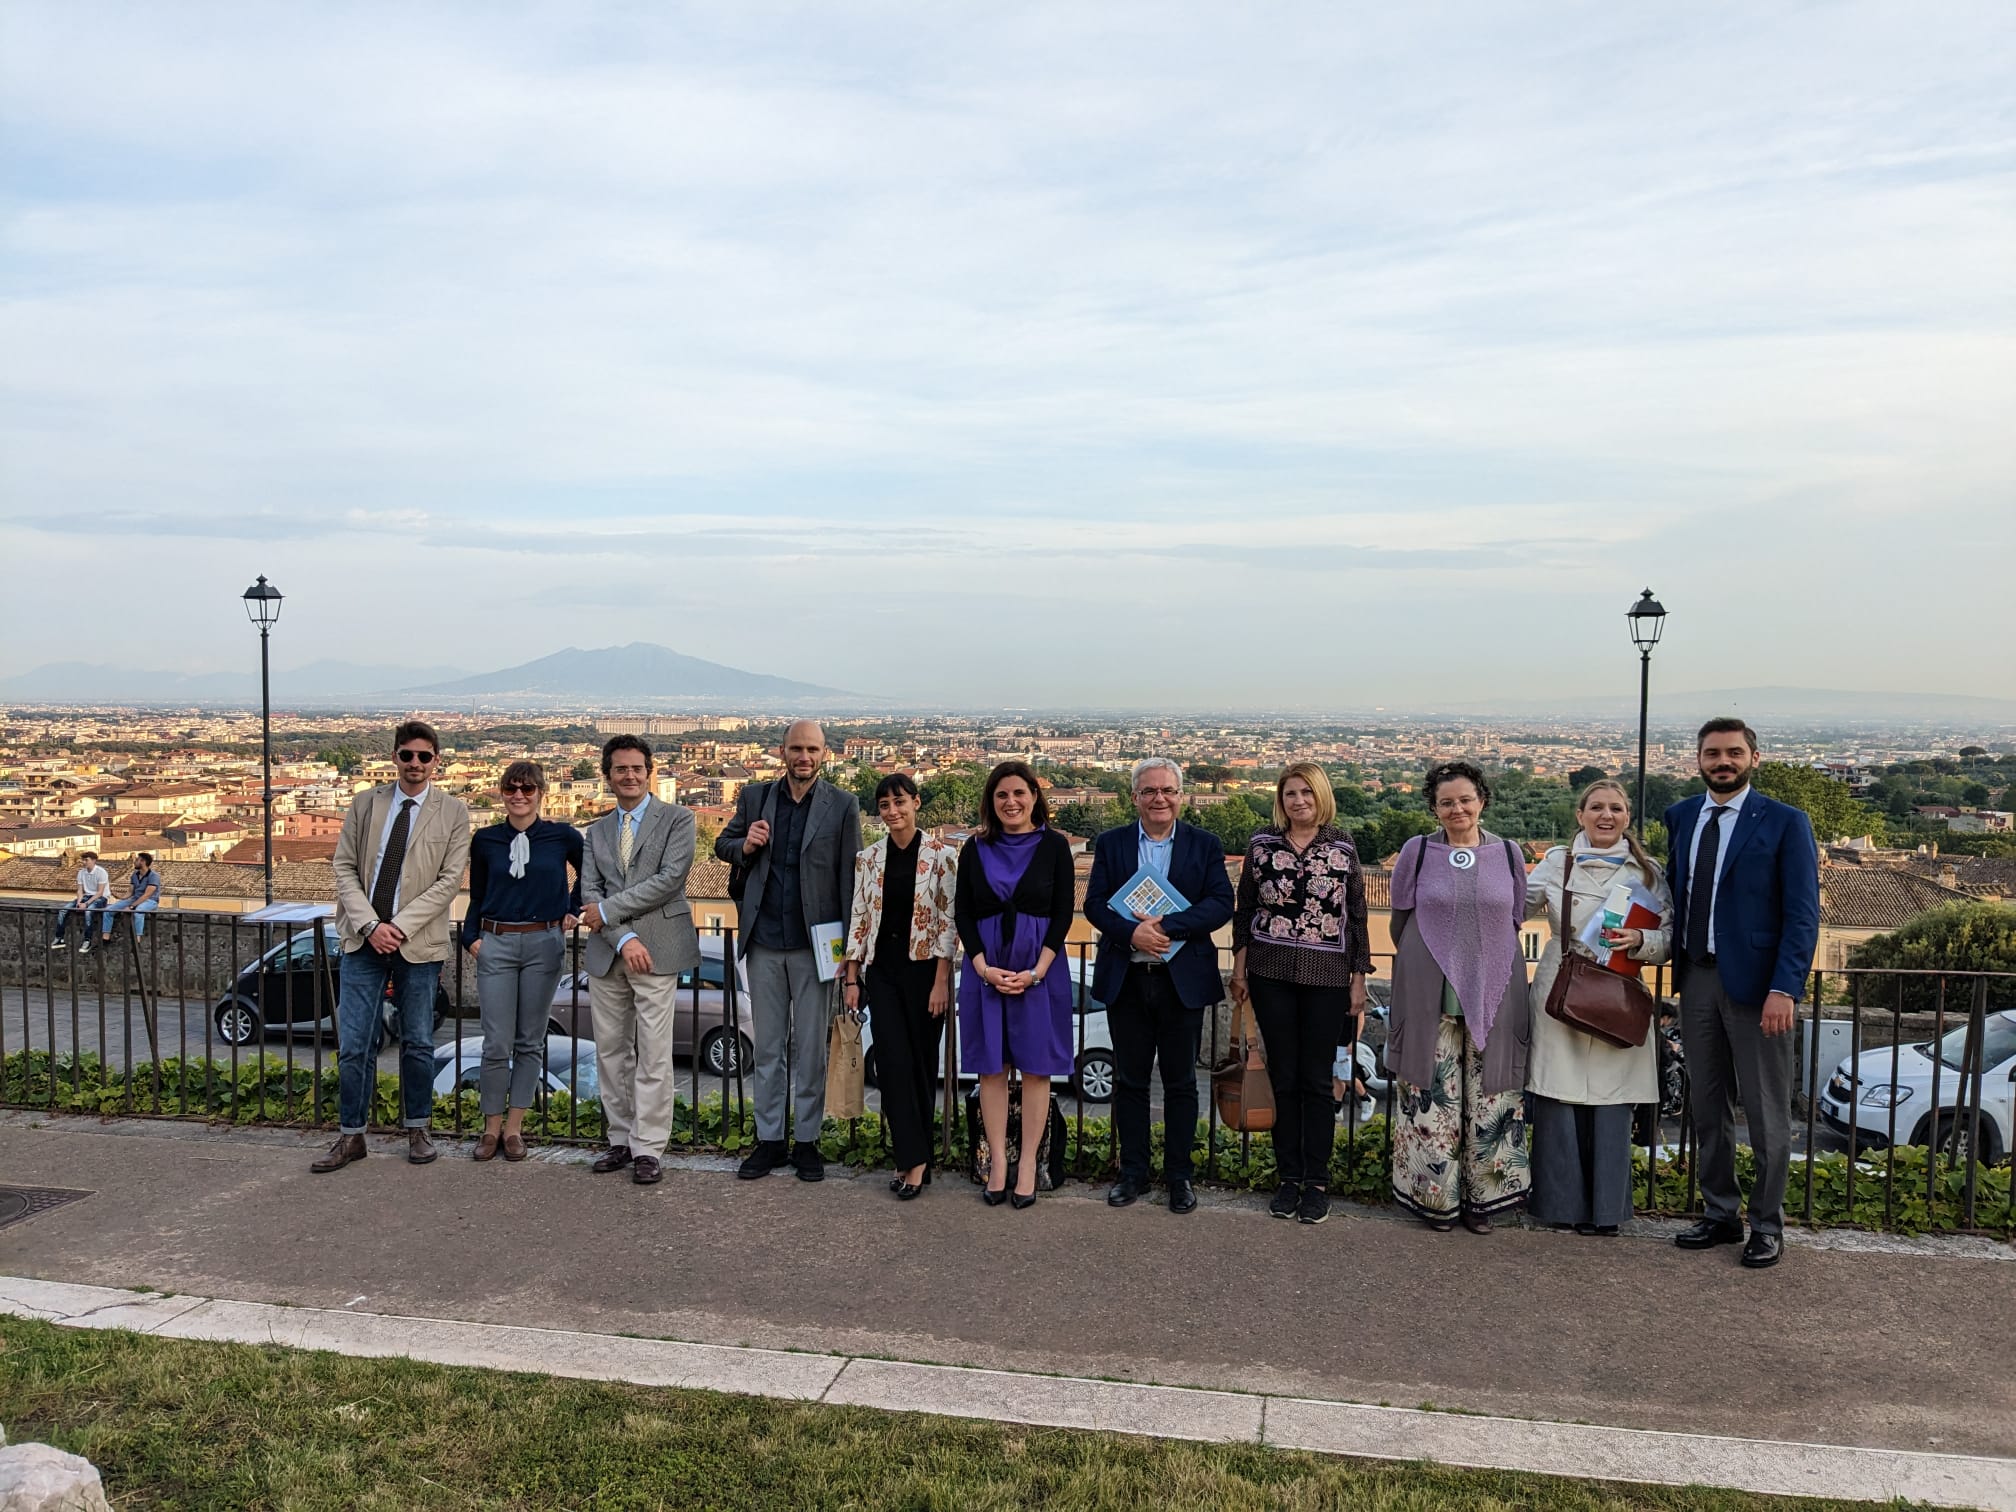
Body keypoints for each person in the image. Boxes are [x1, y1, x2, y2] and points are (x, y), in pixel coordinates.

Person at [1664, 718, 1820, 1270]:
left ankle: (1768, 1225)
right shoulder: (1682, 816)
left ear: (1754, 757)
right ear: (1698, 760)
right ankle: (1721, 1214)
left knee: (1766, 1111)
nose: (1722, 761)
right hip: (1698, 980)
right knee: (1707, 1106)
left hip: (1760, 989)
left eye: (1733, 752)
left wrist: (1786, 987)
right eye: (1712, 753)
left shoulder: (1785, 822)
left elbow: (1802, 916)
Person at [316, 721, 472, 1173]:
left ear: (437, 761)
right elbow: (343, 867)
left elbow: (448, 882)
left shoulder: (454, 812)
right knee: (354, 1043)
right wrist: (370, 925)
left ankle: (418, 1129)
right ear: (395, 758)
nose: (416, 764)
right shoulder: (366, 803)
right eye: (408, 755)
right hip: (362, 940)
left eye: (425, 756)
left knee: (419, 1042)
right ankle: (351, 1137)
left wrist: (397, 926)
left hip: (417, 943)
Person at [1083, 757, 1235, 1214]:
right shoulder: (1110, 844)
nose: (1159, 798)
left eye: (1167, 790)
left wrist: (1166, 927)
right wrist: (1132, 933)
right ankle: (1132, 1174)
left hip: (1180, 981)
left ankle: (1179, 1177)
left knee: (1181, 1083)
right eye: (1149, 791)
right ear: (1134, 798)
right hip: (1127, 978)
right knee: (1129, 1081)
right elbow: (1094, 905)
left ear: (1181, 796)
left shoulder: (1205, 845)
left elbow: (1220, 904)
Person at [1387, 760, 1532, 1233]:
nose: (1457, 809)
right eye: (1446, 802)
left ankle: (1483, 1201)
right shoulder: (1418, 851)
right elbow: (1400, 919)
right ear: (1434, 807)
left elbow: (1513, 920)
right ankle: (1436, 1200)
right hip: (1430, 989)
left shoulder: (1508, 853)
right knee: (1431, 1097)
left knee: (1492, 1098)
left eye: (1465, 799)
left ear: (1482, 801)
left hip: (1494, 989)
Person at [716, 719, 862, 1183]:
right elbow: (723, 845)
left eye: (812, 749)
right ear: (782, 752)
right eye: (796, 748)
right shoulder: (756, 797)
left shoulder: (842, 805)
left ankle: (808, 1142)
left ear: (825, 754)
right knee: (770, 1048)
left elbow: (850, 880)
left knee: (811, 1052)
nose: (804, 756)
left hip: (816, 946)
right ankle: (771, 1140)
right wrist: (746, 844)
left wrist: (849, 954)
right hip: (762, 940)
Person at [1524, 779, 1672, 1235]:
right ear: (1580, 815)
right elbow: (1509, 907)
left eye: (1615, 808)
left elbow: (1669, 939)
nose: (1605, 816)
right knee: (1558, 1097)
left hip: (1618, 991)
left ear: (1628, 817)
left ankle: (1607, 1212)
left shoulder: (1649, 872)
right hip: (1561, 989)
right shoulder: (1553, 864)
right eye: (1596, 807)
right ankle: (1561, 1207)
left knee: (1612, 1103)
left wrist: (1642, 940)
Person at [1229, 762, 1371, 1226]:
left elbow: (1356, 915)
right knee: (1284, 1079)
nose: (1299, 801)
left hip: (1328, 978)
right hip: (1270, 973)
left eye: (1307, 793)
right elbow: (1246, 906)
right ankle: (1288, 1178)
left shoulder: (1343, 846)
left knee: (1316, 1081)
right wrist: (1241, 968)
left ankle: (1317, 1183)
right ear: (1281, 799)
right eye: (1291, 793)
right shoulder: (1262, 844)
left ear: (1321, 796)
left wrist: (1358, 979)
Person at [954, 761, 1076, 1208]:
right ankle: (998, 1165)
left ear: (1033, 798)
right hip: (986, 972)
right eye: (1002, 795)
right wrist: (984, 968)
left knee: (1036, 1068)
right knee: (991, 1068)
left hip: (1038, 971)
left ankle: (1027, 1164)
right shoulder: (974, 848)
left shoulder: (1055, 847)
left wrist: (1037, 972)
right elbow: (963, 913)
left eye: (1019, 794)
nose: (1011, 802)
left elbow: (1063, 913)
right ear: (991, 801)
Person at [580, 735, 699, 1187]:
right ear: (607, 775)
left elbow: (670, 881)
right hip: (611, 952)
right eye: (619, 769)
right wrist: (623, 935)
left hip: (660, 950)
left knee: (653, 1054)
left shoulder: (678, 819)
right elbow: (589, 895)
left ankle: (649, 1146)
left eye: (636, 768)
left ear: (649, 771)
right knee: (611, 1053)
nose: (628, 776)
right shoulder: (596, 831)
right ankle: (620, 1139)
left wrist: (611, 913)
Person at [842, 774, 959, 1199]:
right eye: (885, 805)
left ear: (916, 802)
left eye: (899, 802)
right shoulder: (868, 858)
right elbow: (859, 918)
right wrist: (852, 976)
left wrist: (942, 982)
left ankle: (916, 1161)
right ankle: (911, 1156)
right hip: (883, 973)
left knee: (923, 1067)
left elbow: (949, 925)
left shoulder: (944, 857)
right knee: (891, 1065)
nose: (892, 811)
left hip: (927, 973)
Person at [461, 761, 583, 1163]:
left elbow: (590, 876)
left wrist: (572, 908)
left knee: (530, 1040)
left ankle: (514, 1130)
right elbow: (478, 893)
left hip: (543, 943)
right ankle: (490, 1129)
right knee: (495, 1042)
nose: (518, 796)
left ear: (541, 793)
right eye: (511, 789)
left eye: (527, 789)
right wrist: (471, 937)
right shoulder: (485, 840)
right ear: (500, 793)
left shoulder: (562, 836)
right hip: (495, 941)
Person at [95, 852, 162, 953]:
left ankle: (137, 941)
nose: (135, 862)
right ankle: (106, 938)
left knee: (138, 912)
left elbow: (147, 895)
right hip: (135, 898)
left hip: (150, 900)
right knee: (109, 910)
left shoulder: (154, 876)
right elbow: (131, 891)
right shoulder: (135, 875)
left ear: (143, 862)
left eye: (137, 860)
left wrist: (131, 906)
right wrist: (120, 897)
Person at [49, 851, 110, 950]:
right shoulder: (81, 872)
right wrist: (78, 903)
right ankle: (59, 937)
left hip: (101, 898)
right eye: (83, 860)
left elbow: (100, 892)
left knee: (89, 911)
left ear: (94, 860)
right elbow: (80, 890)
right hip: (87, 896)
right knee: (63, 910)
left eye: (87, 860)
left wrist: (86, 904)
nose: (84, 862)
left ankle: (87, 940)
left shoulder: (101, 872)